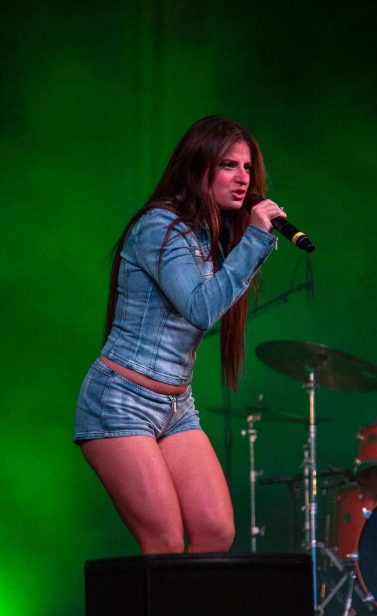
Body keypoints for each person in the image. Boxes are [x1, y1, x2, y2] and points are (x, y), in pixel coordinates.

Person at [73, 115, 286, 555]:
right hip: (121, 400)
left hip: (176, 406)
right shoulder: (159, 227)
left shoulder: (215, 234)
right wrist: (256, 241)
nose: (243, 178)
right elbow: (200, 309)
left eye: (248, 168)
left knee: (216, 532)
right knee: (165, 543)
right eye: (229, 165)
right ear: (199, 166)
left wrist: (245, 242)